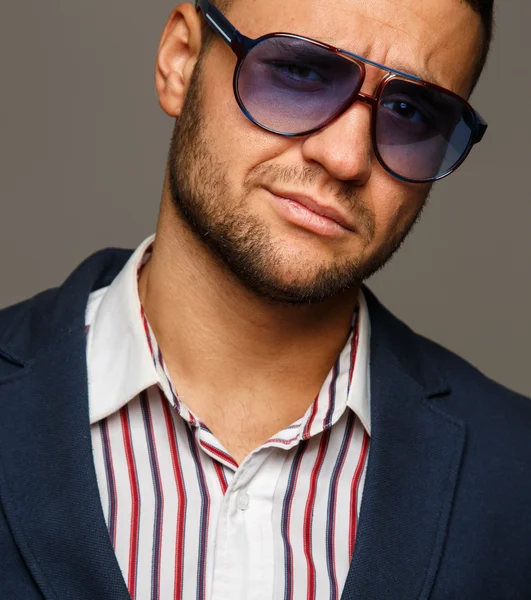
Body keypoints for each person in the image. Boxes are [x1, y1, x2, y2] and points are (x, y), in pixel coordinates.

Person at [0, 0, 530, 597]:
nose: (345, 157)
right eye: (300, 72)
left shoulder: (517, 478)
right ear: (180, 59)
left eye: (410, 111)